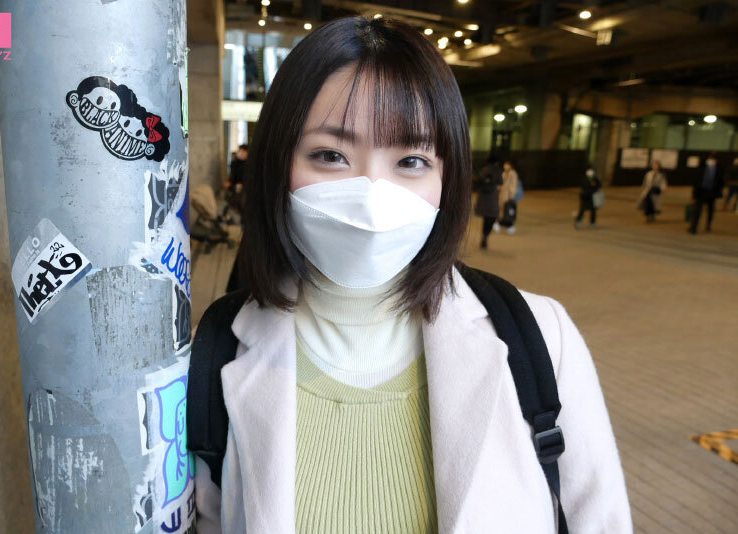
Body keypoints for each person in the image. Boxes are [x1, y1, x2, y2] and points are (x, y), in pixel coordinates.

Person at [193, 16, 631, 534]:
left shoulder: (540, 336)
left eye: (411, 160)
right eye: (330, 155)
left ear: (449, 175)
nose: (372, 195)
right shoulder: (214, 350)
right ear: (275, 165)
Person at [688, 151, 724, 234]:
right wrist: (694, 193)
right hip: (701, 192)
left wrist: (718, 192)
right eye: (711, 159)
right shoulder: (702, 167)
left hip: (712, 193)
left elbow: (721, 182)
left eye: (714, 159)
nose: (712, 161)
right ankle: (694, 227)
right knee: (697, 210)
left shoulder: (719, 169)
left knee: (710, 210)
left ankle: (708, 225)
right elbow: (697, 180)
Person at [474, 154, 503, 249]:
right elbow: (501, 182)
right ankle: (485, 235)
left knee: (486, 218)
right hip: (492, 197)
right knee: (492, 217)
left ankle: (484, 236)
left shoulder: (484, 170)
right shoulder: (497, 170)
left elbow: (477, 181)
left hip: (483, 197)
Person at [498, 159, 520, 234]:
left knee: (507, 210)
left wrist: (512, 195)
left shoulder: (512, 173)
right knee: (502, 210)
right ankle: (502, 224)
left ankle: (509, 226)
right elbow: (500, 183)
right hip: (503, 194)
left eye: (507, 164)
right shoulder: (504, 173)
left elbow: (513, 184)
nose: (505, 166)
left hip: (508, 195)